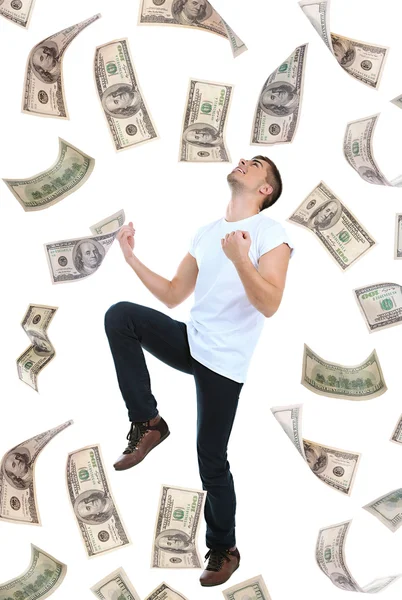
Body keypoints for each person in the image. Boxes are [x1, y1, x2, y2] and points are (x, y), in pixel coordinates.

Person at [104, 155, 294, 587]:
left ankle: (224, 549)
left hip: (225, 363)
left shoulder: (270, 232)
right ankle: (148, 423)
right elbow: (173, 295)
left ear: (266, 190)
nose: (244, 161)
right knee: (121, 317)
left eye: (257, 164)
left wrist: (242, 259)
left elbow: (270, 303)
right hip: (193, 340)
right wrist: (131, 257)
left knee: (211, 458)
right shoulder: (206, 233)